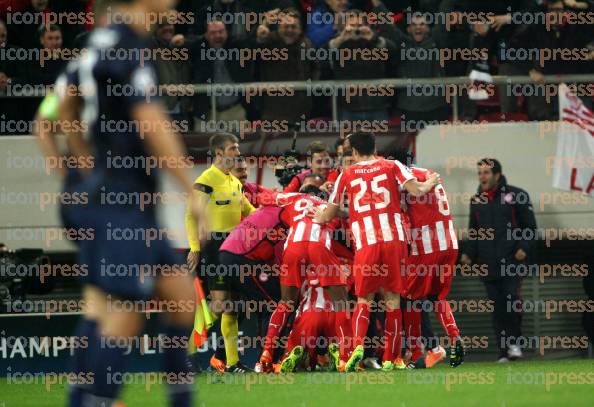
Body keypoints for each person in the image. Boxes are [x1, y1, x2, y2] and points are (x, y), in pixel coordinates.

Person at [56, 0, 202, 405]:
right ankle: (90, 399)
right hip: (118, 201)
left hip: (125, 200)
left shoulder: (103, 40)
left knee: (180, 296)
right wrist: (189, 190)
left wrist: (84, 163)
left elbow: (63, 105)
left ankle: (177, 399)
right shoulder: (128, 44)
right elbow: (151, 122)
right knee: (124, 311)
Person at [314, 131, 440, 371]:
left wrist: (318, 215)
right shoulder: (392, 166)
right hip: (394, 240)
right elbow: (418, 191)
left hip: (366, 243)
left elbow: (330, 213)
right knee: (393, 300)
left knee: (364, 299)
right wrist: (431, 182)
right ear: (375, 147)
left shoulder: (346, 174)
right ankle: (393, 359)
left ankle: (358, 347)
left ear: (353, 151)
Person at [259, 185, 352, 373]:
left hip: (293, 246)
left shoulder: (294, 197)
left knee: (285, 303)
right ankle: (344, 358)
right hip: (319, 246)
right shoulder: (329, 205)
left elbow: (263, 197)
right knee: (341, 303)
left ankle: (267, 352)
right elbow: (348, 213)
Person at [185, 133, 256, 373]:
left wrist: (277, 213)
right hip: (216, 247)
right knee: (220, 304)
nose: (237, 152)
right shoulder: (207, 179)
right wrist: (195, 247)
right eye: (233, 148)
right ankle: (186, 353)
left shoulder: (234, 181)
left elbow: (249, 210)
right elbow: (191, 214)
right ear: (219, 153)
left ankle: (232, 363)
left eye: (237, 147)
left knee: (233, 306)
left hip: (235, 248)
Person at [460, 158, 537, 363]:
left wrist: (523, 247)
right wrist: (468, 253)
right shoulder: (476, 200)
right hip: (487, 264)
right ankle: (503, 352)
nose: (482, 177)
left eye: (486, 173)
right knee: (497, 308)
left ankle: (515, 344)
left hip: (512, 262)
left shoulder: (517, 195)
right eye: (479, 173)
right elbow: (474, 232)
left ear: (497, 175)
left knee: (511, 300)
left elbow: (530, 228)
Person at [401, 163, 465, 369]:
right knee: (437, 297)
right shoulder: (427, 172)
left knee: (409, 297)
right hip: (449, 242)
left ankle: (417, 354)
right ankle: (455, 338)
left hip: (427, 244)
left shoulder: (404, 177)